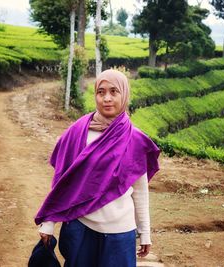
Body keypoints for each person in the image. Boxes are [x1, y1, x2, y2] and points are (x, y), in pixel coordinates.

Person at [34, 69, 160, 267]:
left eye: (113, 92)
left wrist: (145, 232)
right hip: (80, 228)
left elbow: (140, 191)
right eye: (101, 92)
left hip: (120, 234)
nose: (107, 98)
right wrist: (49, 222)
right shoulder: (77, 132)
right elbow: (62, 181)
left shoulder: (135, 140)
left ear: (124, 94)